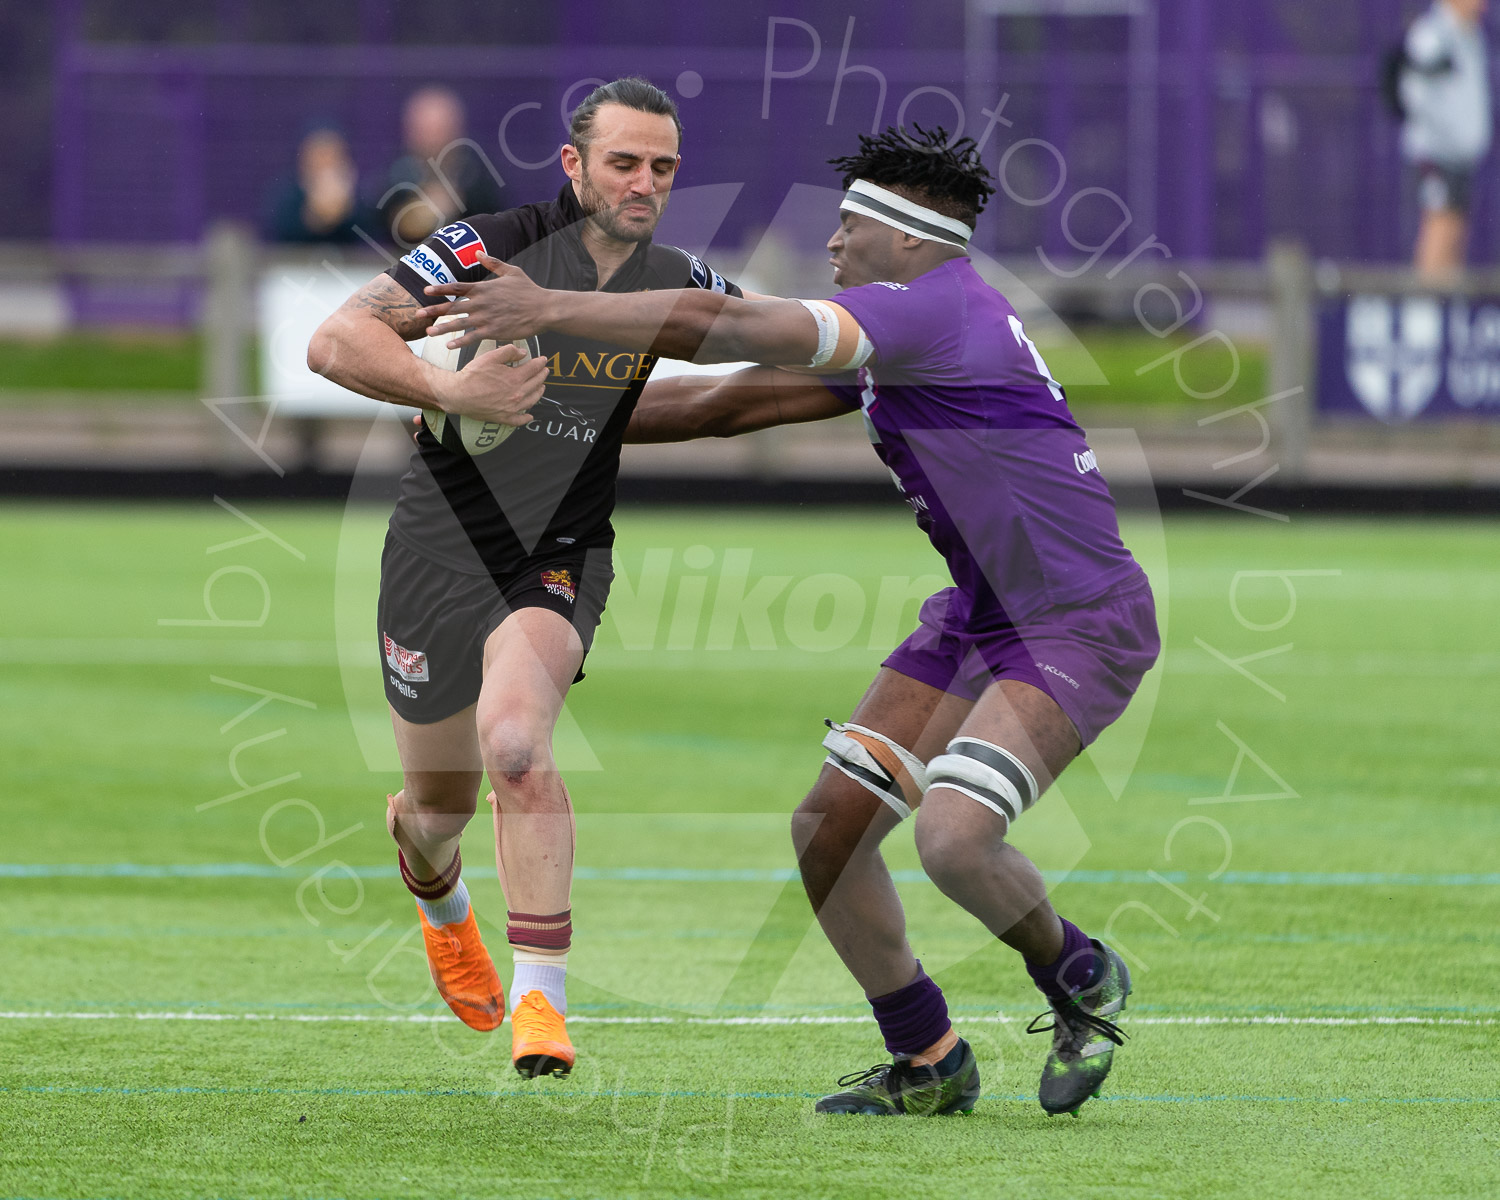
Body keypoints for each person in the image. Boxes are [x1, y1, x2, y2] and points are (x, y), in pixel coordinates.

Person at [419, 126, 1160, 1118]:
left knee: (952, 838)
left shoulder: (935, 310)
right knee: (828, 831)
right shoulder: (906, 331)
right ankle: (929, 1059)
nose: (834, 244)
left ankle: (1078, 975)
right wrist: (527, 412)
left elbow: (728, 327)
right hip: (982, 615)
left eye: (850, 225)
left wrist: (549, 306)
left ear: (905, 239)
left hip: (1077, 620)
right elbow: (725, 403)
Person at [307, 77, 742, 1078]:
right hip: (434, 550)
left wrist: (891, 367)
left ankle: (541, 1003)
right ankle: (438, 893)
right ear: (574, 165)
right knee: (437, 808)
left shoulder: (677, 278)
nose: (643, 183)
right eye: (624, 161)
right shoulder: (483, 247)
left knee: (516, 744)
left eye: (663, 167)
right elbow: (337, 339)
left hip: (559, 552)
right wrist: (448, 386)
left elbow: (770, 352)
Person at [1400, 0, 1492, 281]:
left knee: (1455, 234)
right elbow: (1415, 94)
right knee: (1439, 230)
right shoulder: (1432, 36)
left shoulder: (1472, 37)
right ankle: (1424, 318)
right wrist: (1451, 136)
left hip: (1461, 159)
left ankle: (1445, 315)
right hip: (1437, 156)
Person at [382, 85, 506, 246]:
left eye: (439, 130)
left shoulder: (480, 175)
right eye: (425, 130)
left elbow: (498, 222)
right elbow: (377, 222)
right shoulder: (396, 173)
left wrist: (457, 203)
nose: (433, 140)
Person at [264, 126, 381, 244]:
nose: (326, 162)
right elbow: (281, 230)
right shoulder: (286, 193)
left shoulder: (360, 196)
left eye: (332, 155)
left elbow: (368, 232)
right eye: (320, 154)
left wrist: (344, 210)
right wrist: (315, 215)